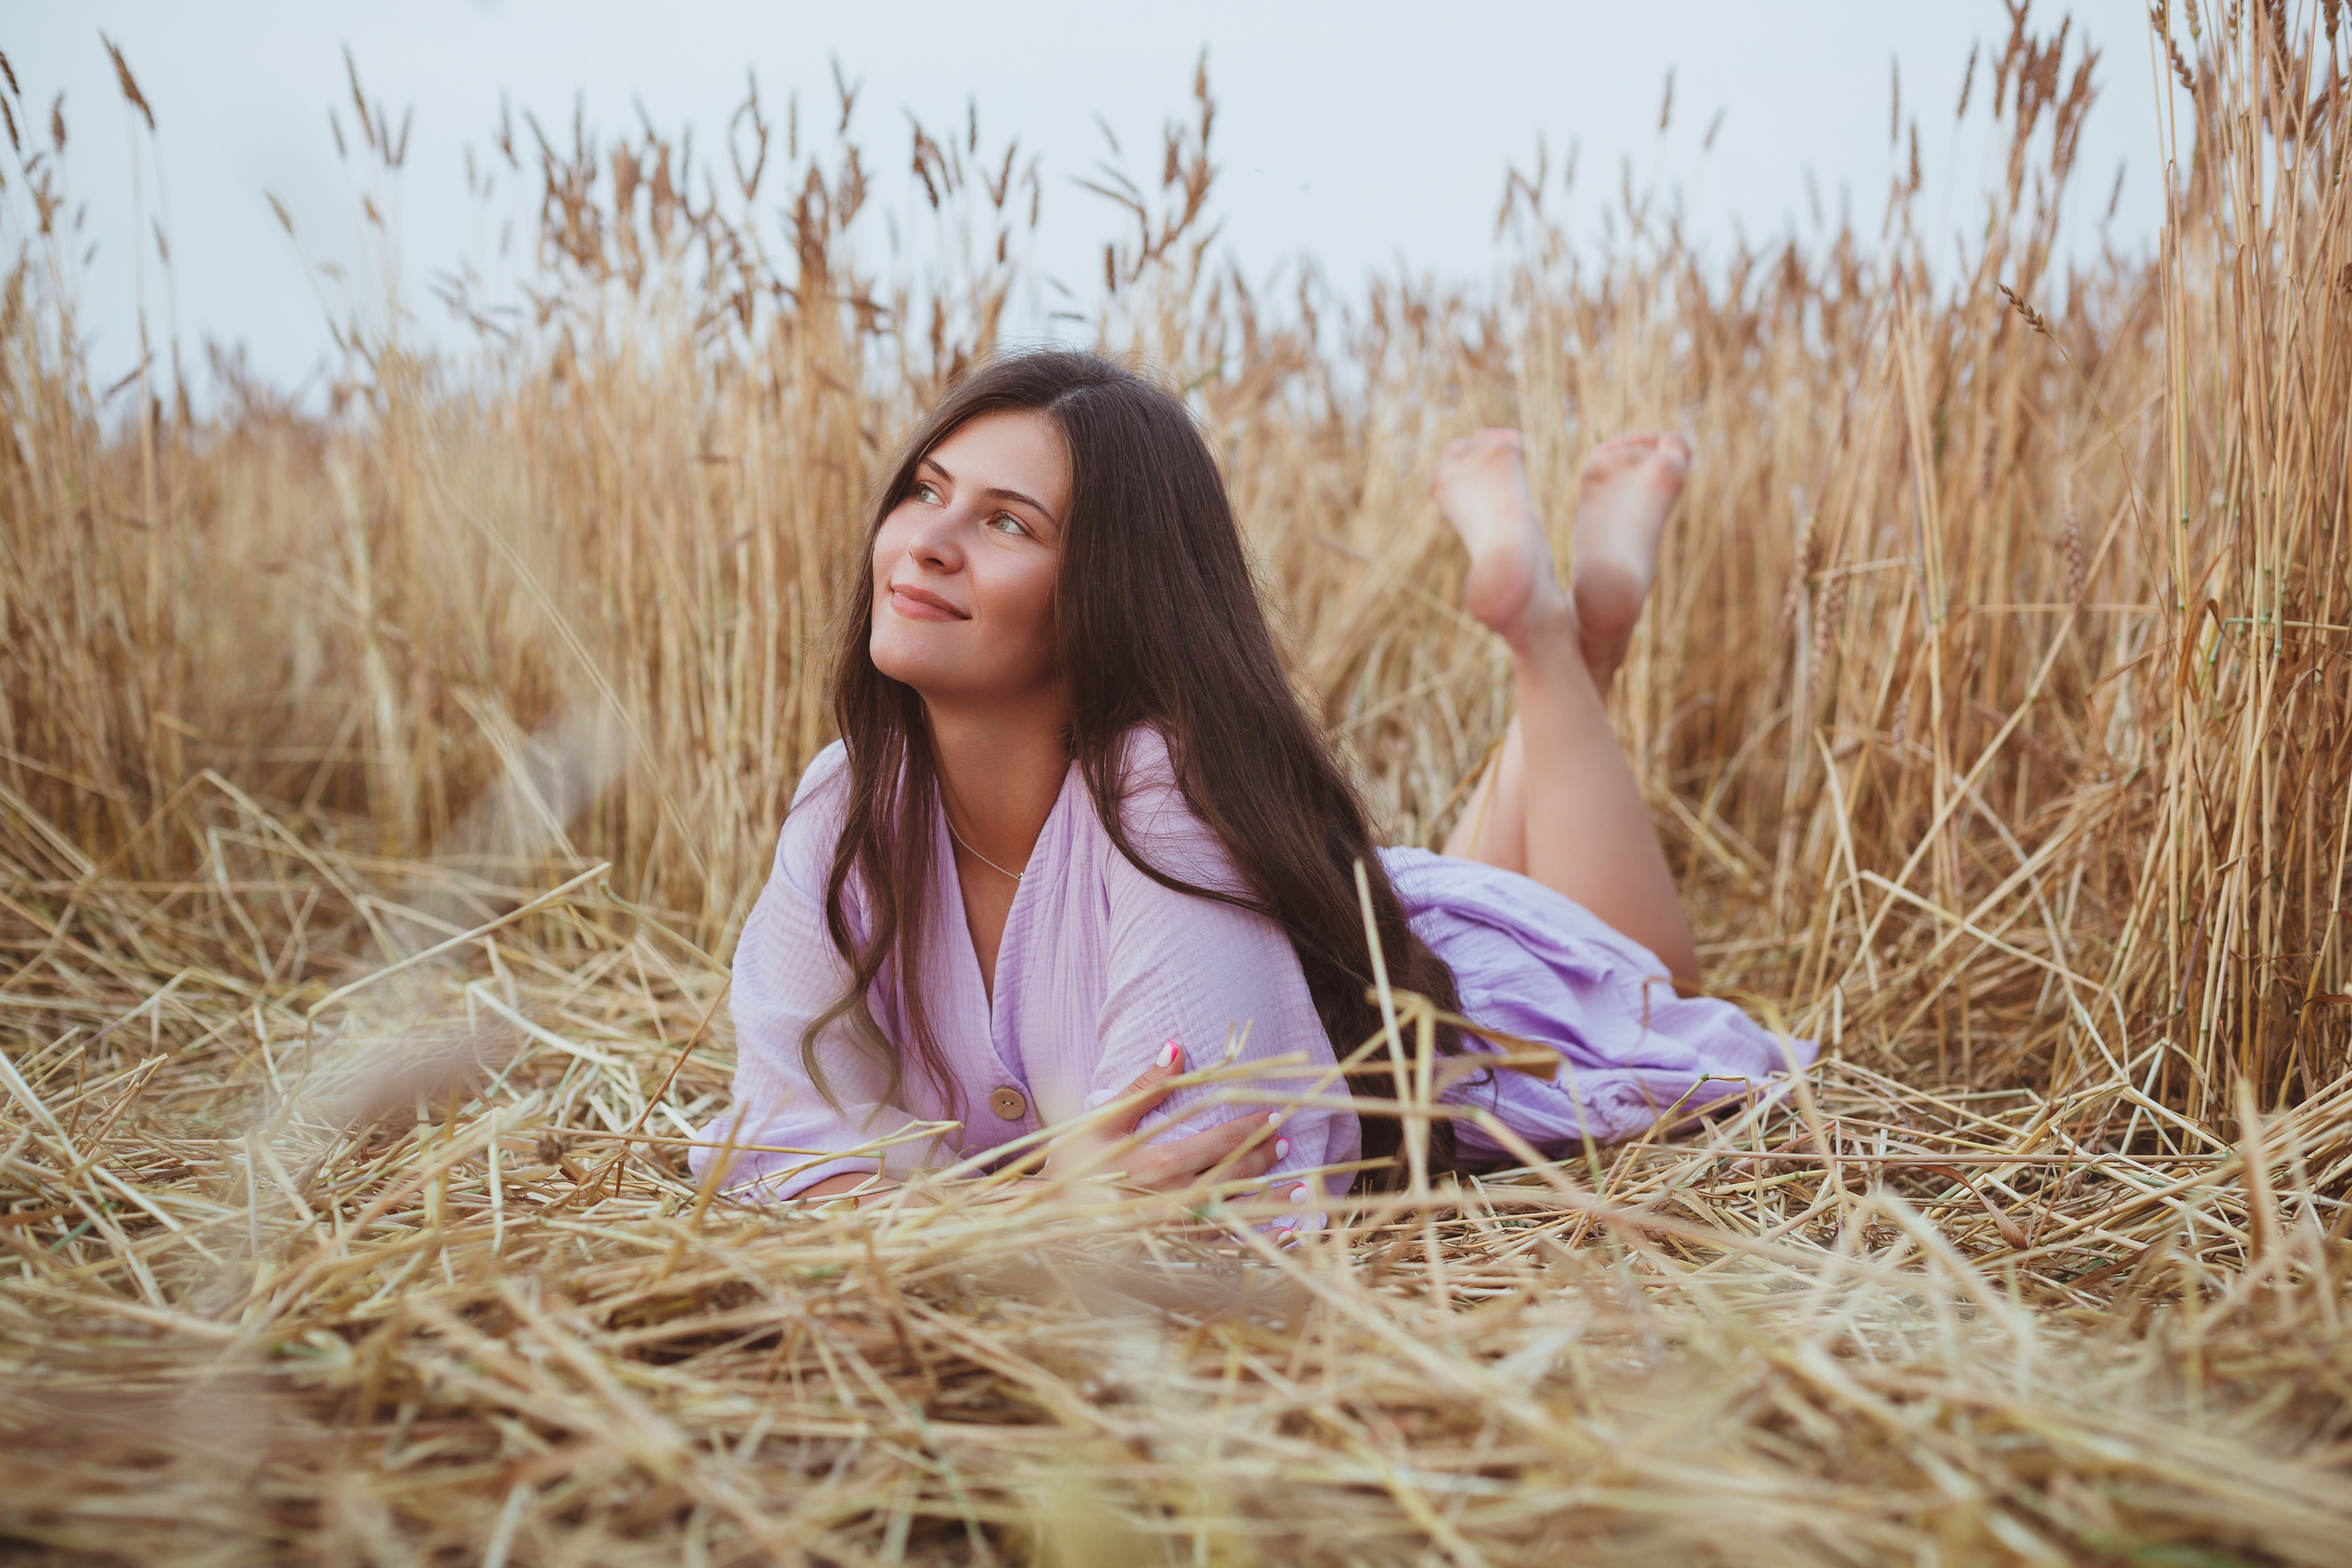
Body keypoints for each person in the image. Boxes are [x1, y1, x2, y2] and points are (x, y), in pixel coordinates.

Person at [689, 351, 1810, 1220]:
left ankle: (1553, 646)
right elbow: (776, 1134)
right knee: (1465, 885)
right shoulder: (847, 802)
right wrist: (1046, 1204)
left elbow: (1218, 1169)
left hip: (1460, 1020)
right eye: (925, 491)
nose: (925, 542)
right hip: (1355, 928)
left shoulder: (1157, 798)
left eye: (1005, 522)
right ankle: (1569, 633)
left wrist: (926, 1209)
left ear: (1113, 597)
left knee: (1645, 988)